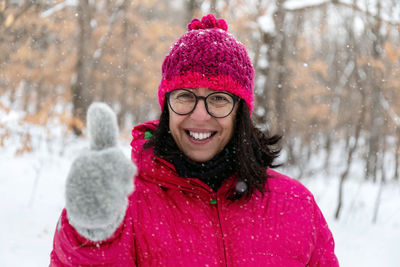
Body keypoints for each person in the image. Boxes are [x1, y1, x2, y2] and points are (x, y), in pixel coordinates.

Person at [50, 14, 339, 266]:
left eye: (218, 99)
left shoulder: (295, 204)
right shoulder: (124, 202)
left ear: (241, 112)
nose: (200, 116)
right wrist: (89, 236)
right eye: (185, 96)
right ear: (166, 107)